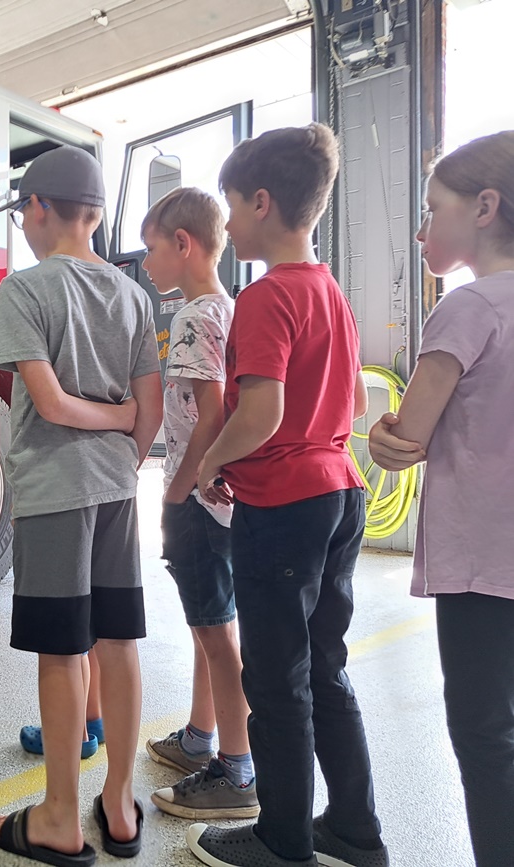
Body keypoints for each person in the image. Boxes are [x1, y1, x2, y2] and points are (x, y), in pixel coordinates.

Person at [187, 124, 387, 867]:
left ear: (263, 203)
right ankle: (356, 830)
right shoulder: (329, 291)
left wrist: (210, 459)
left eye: (233, 206)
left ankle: (284, 839)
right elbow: (354, 399)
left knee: (274, 678)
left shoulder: (267, 296)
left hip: (283, 503)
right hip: (340, 492)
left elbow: (261, 411)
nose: (229, 222)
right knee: (325, 666)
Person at [0, 145, 163, 866]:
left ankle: (60, 815)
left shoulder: (25, 290)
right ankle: (119, 803)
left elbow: (52, 403)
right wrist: (122, 428)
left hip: (55, 492)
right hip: (118, 489)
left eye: (23, 212)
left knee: (62, 650)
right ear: (93, 215)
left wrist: (107, 419)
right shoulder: (132, 293)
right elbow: (146, 413)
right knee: (117, 641)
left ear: (37, 209)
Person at [367, 132, 514, 867]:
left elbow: (403, 437)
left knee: (487, 734)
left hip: (484, 560)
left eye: (433, 209)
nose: (423, 227)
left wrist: (381, 432)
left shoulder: (468, 307)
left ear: (485, 206)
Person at [139, 187, 256, 821]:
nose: (148, 261)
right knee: (212, 624)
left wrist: (179, 492)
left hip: (200, 498)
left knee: (213, 634)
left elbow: (208, 414)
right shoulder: (229, 310)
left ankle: (235, 767)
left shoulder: (190, 318)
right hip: (225, 497)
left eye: (153, 248)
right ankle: (197, 737)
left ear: (183, 245)